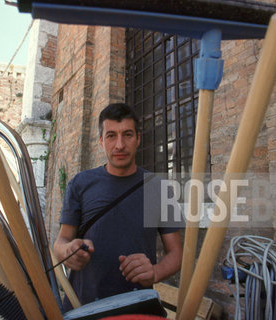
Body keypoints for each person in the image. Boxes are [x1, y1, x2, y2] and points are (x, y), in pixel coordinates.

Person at [53, 103, 183, 312]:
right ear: (100, 141)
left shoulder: (157, 187)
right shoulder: (80, 183)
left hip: (137, 308)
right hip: (83, 307)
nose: (120, 145)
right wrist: (68, 252)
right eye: (111, 135)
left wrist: (155, 272)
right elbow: (61, 241)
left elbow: (176, 252)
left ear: (138, 139)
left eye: (127, 135)